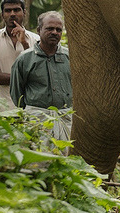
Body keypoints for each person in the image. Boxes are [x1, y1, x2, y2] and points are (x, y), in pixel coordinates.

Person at [10, 11, 73, 140]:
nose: (55, 32)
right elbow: (17, 95)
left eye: (58, 30)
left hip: (66, 120)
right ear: (39, 30)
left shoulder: (70, 58)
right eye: (50, 28)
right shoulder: (25, 59)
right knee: (38, 158)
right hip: (36, 122)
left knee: (67, 158)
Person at [0, 0, 39, 108]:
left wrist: (24, 43)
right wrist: (22, 79)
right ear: (2, 15)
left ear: (24, 13)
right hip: (5, 108)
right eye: (8, 11)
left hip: (32, 108)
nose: (12, 14)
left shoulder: (36, 39)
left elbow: (38, 73)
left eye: (16, 10)